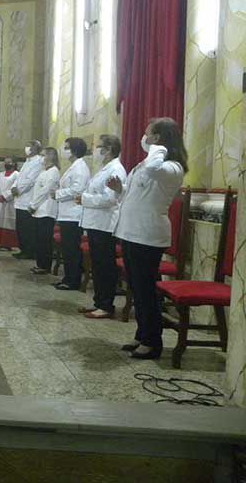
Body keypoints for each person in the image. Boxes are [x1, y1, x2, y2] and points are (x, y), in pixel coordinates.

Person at [107, 117, 187, 360]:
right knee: (136, 287)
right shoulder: (147, 163)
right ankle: (142, 334)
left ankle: (153, 342)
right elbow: (136, 195)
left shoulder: (172, 167)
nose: (144, 137)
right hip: (131, 231)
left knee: (146, 290)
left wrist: (158, 147)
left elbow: (154, 170)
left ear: (159, 138)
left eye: (148, 134)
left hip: (148, 235)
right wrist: (120, 190)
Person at [77, 135, 127, 319]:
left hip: (105, 224)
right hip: (96, 222)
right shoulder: (105, 168)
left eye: (98, 147)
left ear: (108, 149)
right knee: (97, 264)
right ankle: (98, 302)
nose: (95, 150)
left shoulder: (116, 169)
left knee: (105, 265)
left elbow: (110, 199)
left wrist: (84, 199)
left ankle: (106, 305)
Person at [52, 137, 91, 291]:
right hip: (67, 213)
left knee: (72, 250)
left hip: (73, 215)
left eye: (67, 147)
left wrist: (58, 193)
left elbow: (77, 189)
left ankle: (73, 281)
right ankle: (67, 278)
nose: (64, 150)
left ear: (74, 150)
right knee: (67, 249)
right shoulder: (74, 166)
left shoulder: (80, 168)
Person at [28, 148, 60, 275]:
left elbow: (45, 191)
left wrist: (33, 205)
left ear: (50, 156)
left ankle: (45, 265)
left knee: (44, 240)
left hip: (46, 210)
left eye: (43, 155)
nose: (41, 158)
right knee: (39, 239)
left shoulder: (53, 172)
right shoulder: (44, 171)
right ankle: (40, 263)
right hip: (39, 209)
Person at [11, 141, 44, 260]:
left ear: (36, 148)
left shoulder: (38, 162)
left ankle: (29, 251)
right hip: (19, 199)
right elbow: (19, 177)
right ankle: (23, 249)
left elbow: (30, 181)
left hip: (27, 198)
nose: (27, 148)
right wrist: (13, 187)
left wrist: (18, 190)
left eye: (30, 146)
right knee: (20, 227)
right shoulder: (27, 161)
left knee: (27, 228)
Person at [0, 158, 19, 251]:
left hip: (10, 202)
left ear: (14, 163)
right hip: (0, 203)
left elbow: (15, 187)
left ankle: (10, 244)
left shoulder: (16, 175)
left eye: (9, 162)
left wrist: (5, 196)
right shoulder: (0, 174)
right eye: (5, 162)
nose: (7, 164)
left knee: (9, 223)